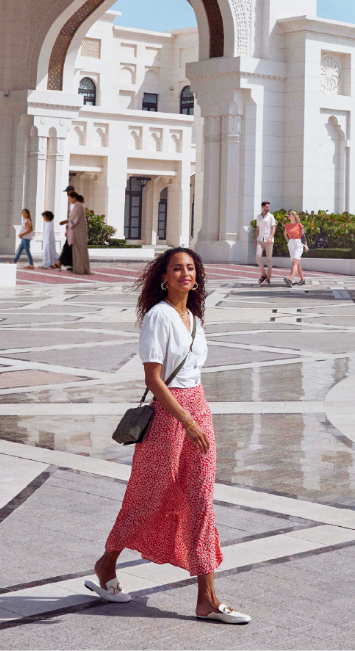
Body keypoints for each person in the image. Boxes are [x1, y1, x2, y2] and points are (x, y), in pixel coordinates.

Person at [87, 248, 250, 624]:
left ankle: (206, 598)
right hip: (168, 417)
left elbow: (193, 373)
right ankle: (107, 562)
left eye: (191, 268)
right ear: (163, 276)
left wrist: (198, 419)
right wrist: (187, 423)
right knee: (148, 496)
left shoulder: (193, 317)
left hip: (199, 407)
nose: (185, 274)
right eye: (177, 268)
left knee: (200, 499)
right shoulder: (158, 317)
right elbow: (153, 380)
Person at [68, 189, 91, 275]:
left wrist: (68, 224)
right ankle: (83, 268)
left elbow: (74, 219)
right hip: (80, 230)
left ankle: (80, 269)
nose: (70, 200)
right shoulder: (80, 205)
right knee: (81, 250)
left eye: (70, 198)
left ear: (74, 198)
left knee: (78, 250)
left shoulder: (78, 205)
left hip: (78, 231)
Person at [283, 211, 306, 287]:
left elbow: (303, 236)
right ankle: (302, 280)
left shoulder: (299, 225)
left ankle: (290, 280)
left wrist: (306, 246)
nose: (288, 215)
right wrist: (288, 242)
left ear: (294, 215)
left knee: (295, 261)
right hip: (291, 244)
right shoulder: (287, 226)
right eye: (288, 214)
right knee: (297, 264)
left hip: (298, 243)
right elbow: (285, 235)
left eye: (290, 214)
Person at [255, 202, 276, 286]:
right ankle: (263, 274)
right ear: (262, 207)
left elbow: (273, 227)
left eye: (269, 207)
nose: (268, 208)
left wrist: (271, 237)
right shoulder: (258, 217)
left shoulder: (271, 216)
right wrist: (255, 239)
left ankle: (268, 278)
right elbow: (257, 228)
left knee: (269, 259)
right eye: (267, 206)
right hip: (260, 239)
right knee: (258, 256)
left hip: (269, 240)